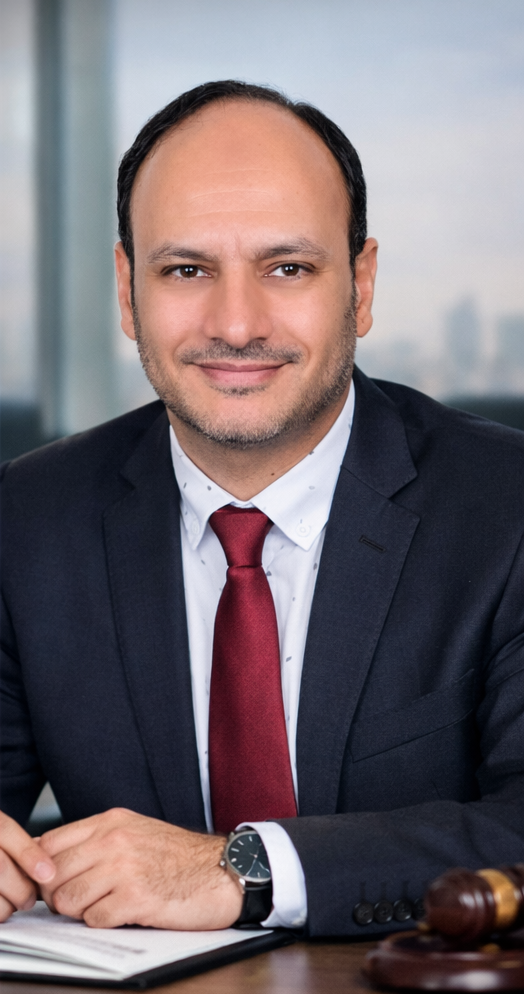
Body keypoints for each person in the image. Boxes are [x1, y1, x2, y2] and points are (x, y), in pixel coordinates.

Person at [1, 80, 524, 938]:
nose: (236, 324)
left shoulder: (505, 508)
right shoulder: (26, 517)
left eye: (287, 268)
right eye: (186, 269)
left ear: (359, 284)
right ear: (129, 291)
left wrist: (245, 869)